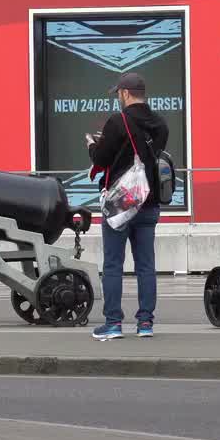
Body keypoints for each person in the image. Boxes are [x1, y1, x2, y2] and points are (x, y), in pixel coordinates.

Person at [86, 72, 169, 341]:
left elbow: (102, 157)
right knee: (146, 265)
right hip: (149, 200)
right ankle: (145, 323)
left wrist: (93, 146)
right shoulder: (160, 124)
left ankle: (113, 323)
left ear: (125, 93)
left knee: (113, 264)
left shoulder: (117, 121)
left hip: (122, 202)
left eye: (118, 94)